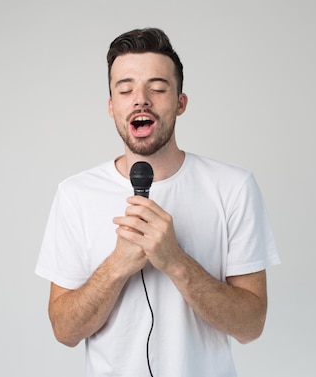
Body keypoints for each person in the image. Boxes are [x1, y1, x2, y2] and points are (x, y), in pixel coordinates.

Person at [35, 28, 280, 377]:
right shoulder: (75, 194)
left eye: (158, 88)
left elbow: (251, 325)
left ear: (180, 102)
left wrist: (175, 261)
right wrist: (117, 266)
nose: (141, 99)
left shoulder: (234, 187)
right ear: (111, 106)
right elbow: (65, 330)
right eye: (125, 89)